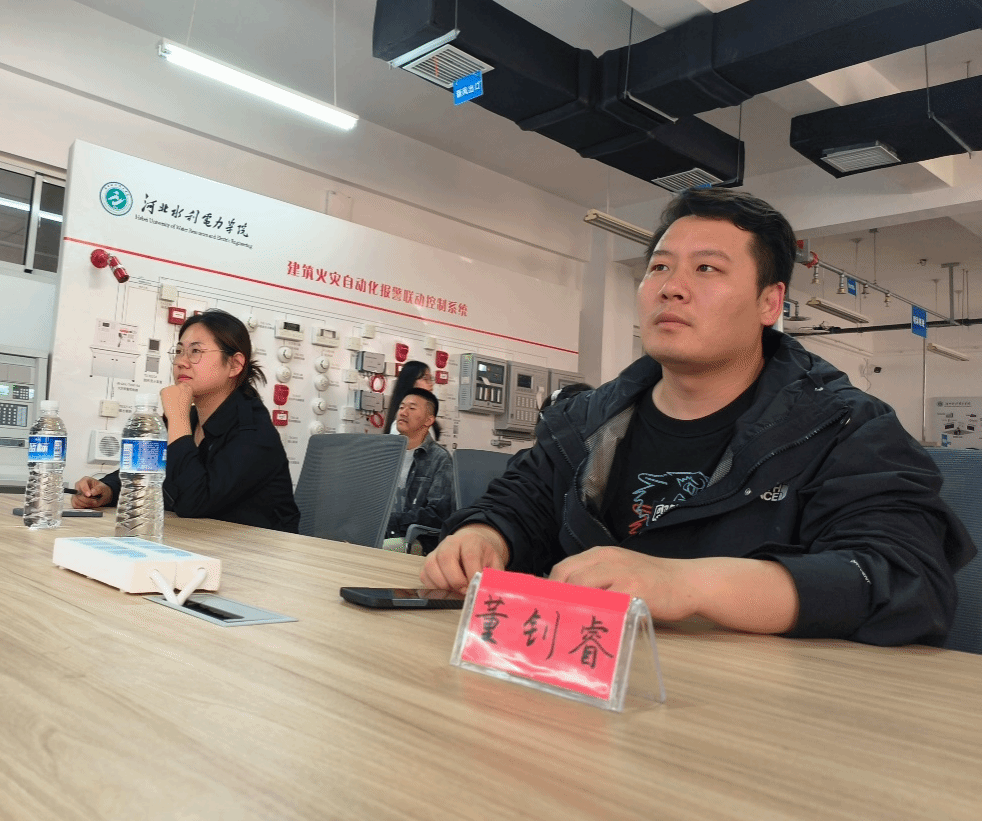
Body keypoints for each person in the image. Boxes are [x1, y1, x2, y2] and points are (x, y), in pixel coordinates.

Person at [421, 187, 976, 646]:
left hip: (761, 717)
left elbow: (906, 580)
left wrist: (687, 584)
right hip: (583, 687)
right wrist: (484, 535)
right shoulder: (587, 421)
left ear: (769, 302)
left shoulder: (844, 427)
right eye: (659, 267)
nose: (671, 287)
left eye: (706, 268)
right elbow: (522, 501)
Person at [73, 309, 300, 534]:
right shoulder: (190, 418)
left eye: (195, 351)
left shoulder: (252, 430)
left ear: (235, 365)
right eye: (179, 351)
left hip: (258, 551)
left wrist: (177, 419)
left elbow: (194, 502)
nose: (181, 362)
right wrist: (108, 489)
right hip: (201, 541)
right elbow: (148, 470)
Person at [385, 387, 454, 541]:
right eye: (401, 407)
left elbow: (437, 513)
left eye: (411, 408)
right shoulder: (385, 452)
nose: (403, 412)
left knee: (373, 548)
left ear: (429, 420)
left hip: (413, 539)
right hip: (378, 531)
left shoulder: (440, 459)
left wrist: (390, 522)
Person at [384, 360, 436, 436]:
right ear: (411, 382)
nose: (431, 384)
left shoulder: (425, 417)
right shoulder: (401, 424)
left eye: (431, 379)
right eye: (425, 378)